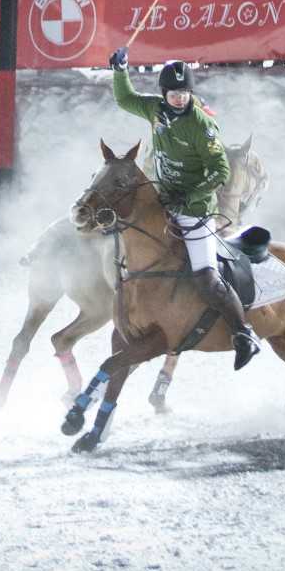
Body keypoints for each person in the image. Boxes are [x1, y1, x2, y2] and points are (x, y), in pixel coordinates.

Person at [107, 50, 259, 371]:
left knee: (206, 277)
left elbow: (220, 171)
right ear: (164, 93)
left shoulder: (201, 125)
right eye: (174, 93)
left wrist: (188, 195)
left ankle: (244, 334)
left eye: (185, 93)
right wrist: (120, 71)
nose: (179, 98)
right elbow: (125, 98)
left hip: (195, 209)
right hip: (163, 203)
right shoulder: (155, 109)